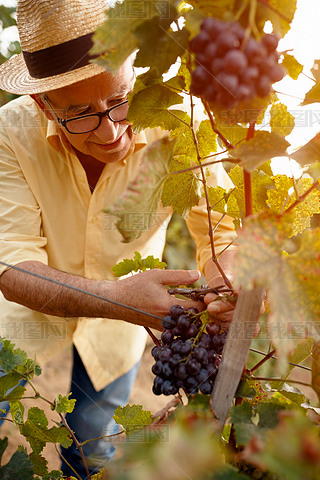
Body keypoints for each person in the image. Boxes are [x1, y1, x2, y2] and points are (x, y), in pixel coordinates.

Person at [0, 0, 237, 476]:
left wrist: (225, 275)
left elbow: (220, 231)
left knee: (90, 451)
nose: (110, 131)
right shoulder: (9, 134)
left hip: (114, 345)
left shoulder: (179, 120)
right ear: (43, 103)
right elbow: (10, 265)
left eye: (119, 101)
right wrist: (114, 298)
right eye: (81, 114)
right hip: (22, 328)